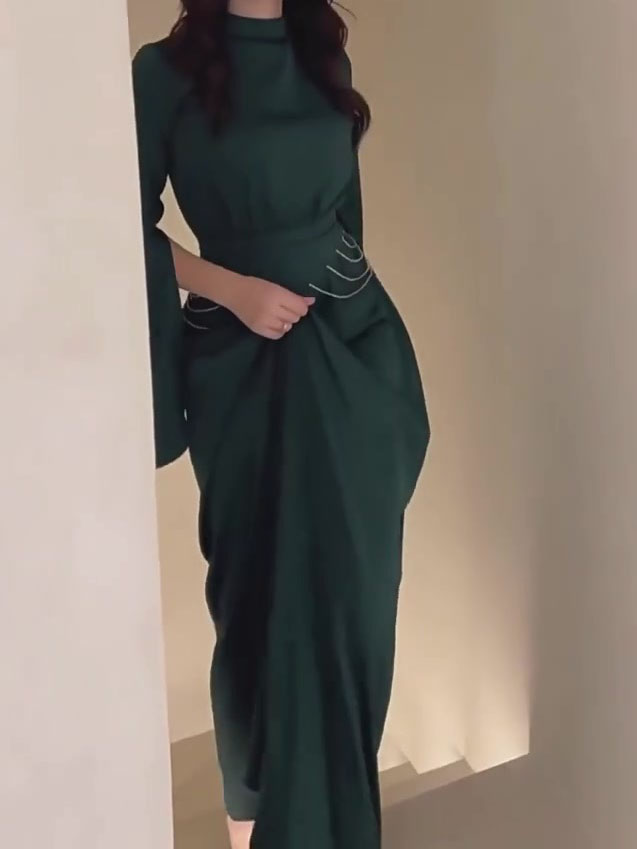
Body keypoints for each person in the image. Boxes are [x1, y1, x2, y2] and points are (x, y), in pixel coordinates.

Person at [131, 1, 430, 847]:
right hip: (242, 361)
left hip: (354, 354)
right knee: (252, 597)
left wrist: (359, 340)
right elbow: (115, 221)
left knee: (353, 602)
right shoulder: (164, 73)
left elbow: (346, 215)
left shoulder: (322, 52)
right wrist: (231, 289)